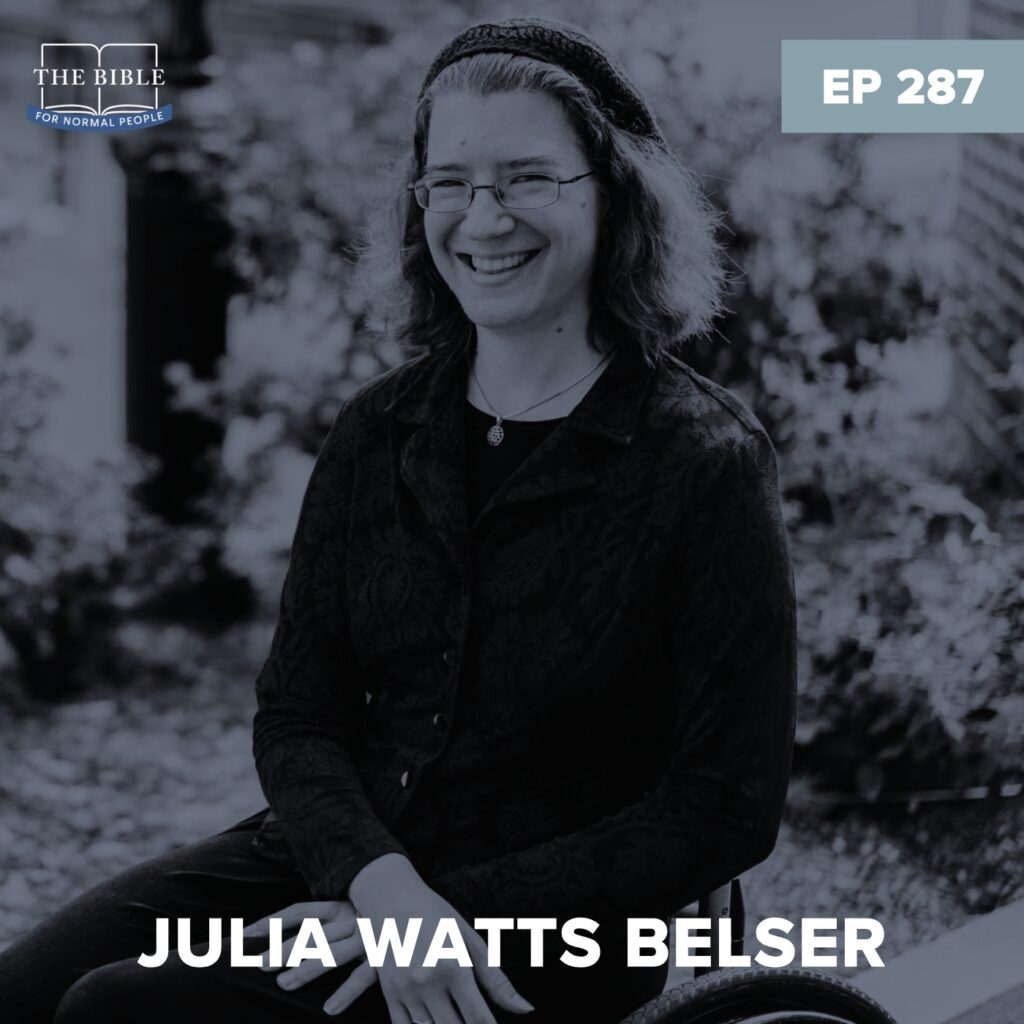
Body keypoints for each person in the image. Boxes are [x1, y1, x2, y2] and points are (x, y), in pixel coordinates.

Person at [0, 16, 796, 1024]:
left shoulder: (703, 461)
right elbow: (298, 710)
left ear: (615, 196)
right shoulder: (380, 427)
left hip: (552, 917)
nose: (483, 217)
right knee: (22, 995)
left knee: (123, 1012)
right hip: (352, 859)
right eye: (452, 182)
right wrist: (379, 884)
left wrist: (439, 909)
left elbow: (722, 803)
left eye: (527, 178)